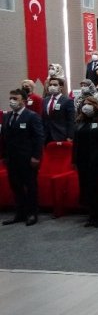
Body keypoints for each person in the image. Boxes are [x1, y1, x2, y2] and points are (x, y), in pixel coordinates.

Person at [1, 89, 44, 226]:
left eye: (15, 98)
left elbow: (38, 138)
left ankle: (32, 213)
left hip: (27, 159)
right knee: (16, 187)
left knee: (30, 186)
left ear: (24, 101)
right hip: (12, 159)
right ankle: (20, 213)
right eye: (11, 98)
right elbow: (4, 138)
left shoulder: (32, 116)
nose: (12, 101)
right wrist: (4, 156)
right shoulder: (7, 117)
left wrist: (36, 157)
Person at [72, 97, 98, 227]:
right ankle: (92, 215)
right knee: (86, 188)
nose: (86, 106)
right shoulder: (80, 121)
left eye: (89, 104)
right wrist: (74, 160)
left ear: (96, 106)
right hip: (82, 160)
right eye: (84, 104)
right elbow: (76, 143)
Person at [42, 77, 75, 143]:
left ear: (61, 87)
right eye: (50, 85)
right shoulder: (45, 100)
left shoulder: (67, 101)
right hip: (46, 136)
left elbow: (71, 120)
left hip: (61, 135)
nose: (52, 86)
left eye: (55, 85)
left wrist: (70, 136)